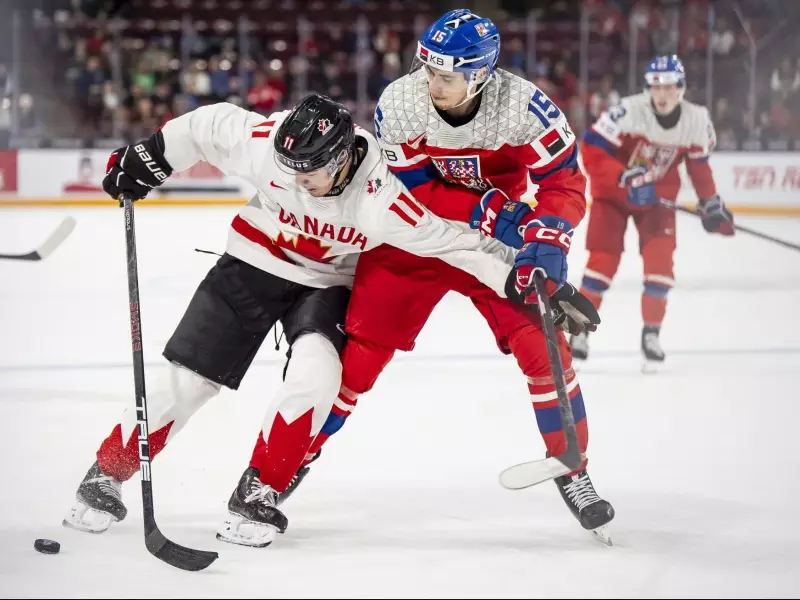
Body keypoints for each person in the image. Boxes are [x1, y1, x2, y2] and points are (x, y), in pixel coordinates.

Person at [62, 93, 524, 548]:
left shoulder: (383, 194)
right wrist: (151, 157)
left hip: (326, 282)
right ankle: (106, 474)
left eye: (310, 171)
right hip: (251, 262)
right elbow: (208, 126)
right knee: (189, 381)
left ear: (341, 158)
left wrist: (521, 277)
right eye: (292, 169)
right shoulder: (269, 145)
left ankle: (259, 489)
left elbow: (453, 243)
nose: (299, 181)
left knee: (317, 375)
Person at [281, 9, 615, 544]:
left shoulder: (526, 109)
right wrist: (491, 210)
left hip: (492, 245)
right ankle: (291, 460)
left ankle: (571, 466)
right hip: (414, 237)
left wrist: (550, 237)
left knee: (544, 344)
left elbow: (563, 183)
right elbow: (414, 192)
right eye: (428, 70)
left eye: (445, 75)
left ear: (479, 75)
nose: (431, 83)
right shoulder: (402, 101)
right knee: (357, 360)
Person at [572, 55, 734, 371]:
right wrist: (622, 176)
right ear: (648, 88)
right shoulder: (628, 111)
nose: (663, 94)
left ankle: (651, 335)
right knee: (602, 263)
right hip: (614, 196)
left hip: (656, 199)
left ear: (681, 89)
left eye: (670, 87)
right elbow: (590, 148)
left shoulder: (696, 120)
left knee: (660, 265)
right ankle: (578, 332)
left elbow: (699, 167)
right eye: (657, 87)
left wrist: (710, 201)